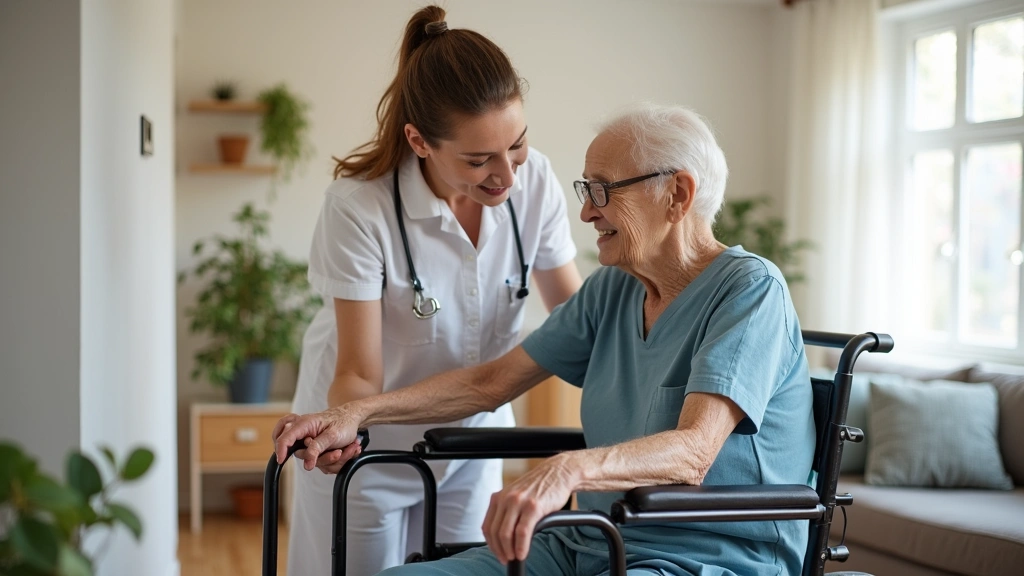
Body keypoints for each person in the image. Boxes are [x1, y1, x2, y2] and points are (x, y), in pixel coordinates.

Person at [276, 102, 815, 576]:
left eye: (601, 190)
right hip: (590, 543)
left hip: (708, 556)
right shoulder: (613, 291)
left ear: (676, 194)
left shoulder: (750, 290)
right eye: (585, 189)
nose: (584, 211)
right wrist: (357, 413)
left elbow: (694, 453)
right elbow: (489, 383)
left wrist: (565, 469)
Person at [285, 5, 583, 575]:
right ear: (420, 141)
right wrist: (346, 425)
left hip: (471, 444)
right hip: (369, 447)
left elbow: (574, 312)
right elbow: (357, 371)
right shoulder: (359, 207)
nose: (507, 176)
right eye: (479, 160)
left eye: (516, 145)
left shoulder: (535, 180)